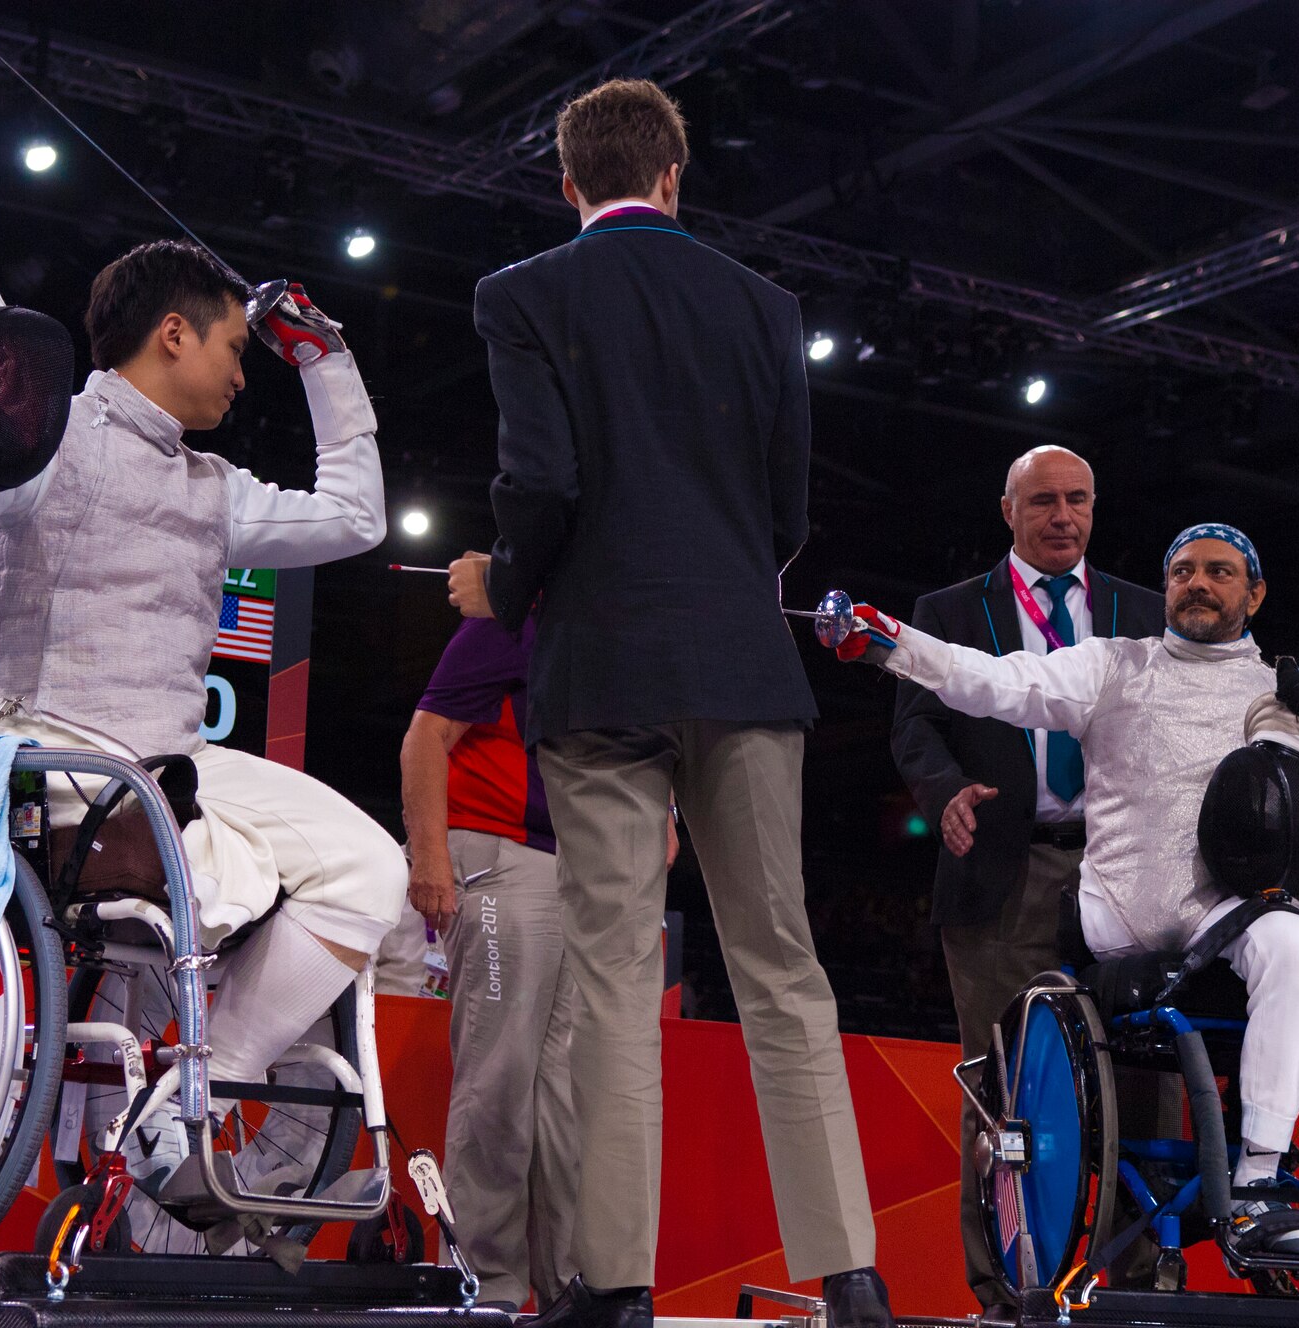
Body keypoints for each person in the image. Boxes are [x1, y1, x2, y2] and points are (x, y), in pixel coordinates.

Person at [444, 78, 892, 1328]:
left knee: (608, 969)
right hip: (744, 662)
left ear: (567, 182)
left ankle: (618, 1284)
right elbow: (786, 510)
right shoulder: (764, 306)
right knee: (781, 964)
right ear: (676, 176)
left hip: (602, 670)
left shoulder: (522, 294)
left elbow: (538, 481)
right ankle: (848, 1271)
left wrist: (501, 583)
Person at [0, 236, 408, 1194]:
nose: (244, 375)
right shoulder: (42, 440)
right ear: (171, 335)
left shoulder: (212, 488)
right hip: (52, 760)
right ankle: (184, 1105)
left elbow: (356, 518)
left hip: (167, 766)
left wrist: (326, 361)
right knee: (210, 842)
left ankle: (203, 1084)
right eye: (237, 350)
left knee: (372, 868)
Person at [837, 523, 1299, 1256]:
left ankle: (1256, 1183)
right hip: (1124, 913)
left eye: (1218, 572)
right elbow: (993, 682)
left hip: (1229, 914)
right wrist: (894, 642)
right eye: (1182, 572)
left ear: (1256, 592)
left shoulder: (1284, 693)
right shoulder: (1114, 664)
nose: (1197, 585)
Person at [888, 445, 1162, 1307]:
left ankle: (1139, 1291)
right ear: (1007, 510)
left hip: (1123, 876)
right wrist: (942, 793)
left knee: (1140, 1088)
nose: (1062, 517)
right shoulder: (949, 611)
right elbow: (915, 729)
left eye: (1078, 499)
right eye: (1043, 501)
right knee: (1004, 1095)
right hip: (1000, 873)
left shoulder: (1144, 612)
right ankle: (1005, 1293)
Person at [398, 612, 578, 1312]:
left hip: (577, 868)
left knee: (566, 1095)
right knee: (498, 1080)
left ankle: (571, 1287)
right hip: (499, 859)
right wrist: (430, 856)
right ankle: (488, 1289)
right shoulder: (508, 625)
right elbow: (424, 739)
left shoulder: (597, 630)